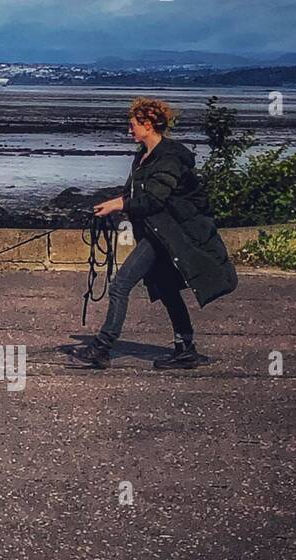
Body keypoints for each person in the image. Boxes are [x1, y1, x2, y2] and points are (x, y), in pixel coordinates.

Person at [70, 98, 237, 370]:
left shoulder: (170, 157)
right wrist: (114, 203)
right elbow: (136, 195)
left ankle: (102, 347)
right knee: (168, 290)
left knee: (121, 285)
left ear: (148, 125)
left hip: (169, 233)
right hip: (158, 232)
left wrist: (118, 204)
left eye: (133, 125)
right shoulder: (144, 155)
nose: (129, 130)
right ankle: (186, 350)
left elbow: (155, 200)